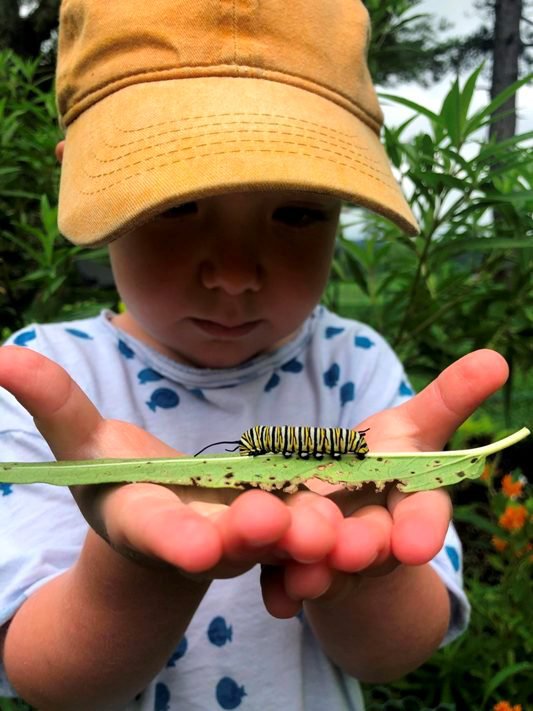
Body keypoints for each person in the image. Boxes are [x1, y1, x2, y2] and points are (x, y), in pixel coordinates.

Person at [0, 0, 509, 709]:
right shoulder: (49, 386)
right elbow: (45, 674)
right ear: (79, 178)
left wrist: (369, 571)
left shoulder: (357, 366)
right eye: (174, 204)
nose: (236, 272)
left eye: (298, 212)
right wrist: (139, 568)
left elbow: (392, 654)